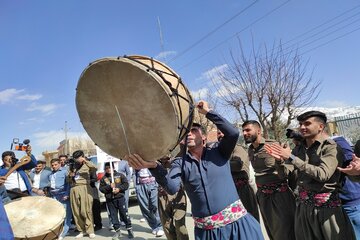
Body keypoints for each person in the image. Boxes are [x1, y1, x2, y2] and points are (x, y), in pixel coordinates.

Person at [126, 100, 263, 240]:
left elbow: (233, 133)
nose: (189, 134)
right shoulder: (179, 162)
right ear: (181, 141)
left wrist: (208, 112)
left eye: (193, 130)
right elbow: (172, 188)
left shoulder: (219, 151)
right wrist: (154, 166)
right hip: (207, 233)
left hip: (237, 226)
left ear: (203, 136)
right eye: (185, 132)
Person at [265, 110, 356, 240]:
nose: (302, 127)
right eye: (301, 124)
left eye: (307, 123)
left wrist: (291, 157)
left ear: (320, 126)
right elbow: (283, 174)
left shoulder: (330, 147)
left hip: (326, 210)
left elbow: (323, 174)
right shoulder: (299, 149)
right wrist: (279, 161)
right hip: (303, 209)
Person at [242, 120, 295, 240]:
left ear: (259, 131)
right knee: (271, 230)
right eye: (243, 131)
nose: (245, 133)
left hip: (279, 195)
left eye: (248, 130)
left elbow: (287, 171)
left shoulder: (273, 145)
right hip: (263, 196)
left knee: (285, 231)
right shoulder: (250, 149)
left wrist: (280, 162)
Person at [217, 129, 260, 222]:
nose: (220, 135)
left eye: (222, 132)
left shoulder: (237, 148)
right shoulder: (220, 152)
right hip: (228, 193)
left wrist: (216, 164)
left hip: (242, 192)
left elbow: (237, 165)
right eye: (218, 133)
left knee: (249, 223)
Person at [99, 162, 134, 239]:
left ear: (113, 168)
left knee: (124, 214)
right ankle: (117, 231)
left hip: (120, 198)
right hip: (110, 200)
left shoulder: (120, 175)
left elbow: (126, 184)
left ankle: (129, 229)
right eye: (106, 168)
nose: (108, 170)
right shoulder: (103, 178)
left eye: (110, 168)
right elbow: (101, 189)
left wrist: (119, 189)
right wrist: (109, 187)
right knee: (113, 216)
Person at [157, 157, 189, 240]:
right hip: (162, 195)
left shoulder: (176, 158)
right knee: (166, 225)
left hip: (178, 194)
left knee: (179, 224)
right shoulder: (154, 159)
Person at [69, 150, 97, 239]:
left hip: (84, 187)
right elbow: (68, 180)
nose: (76, 160)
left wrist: (85, 160)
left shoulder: (87, 164)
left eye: (78, 158)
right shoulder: (71, 166)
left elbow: (94, 168)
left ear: (82, 156)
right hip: (74, 188)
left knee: (86, 210)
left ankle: (90, 230)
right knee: (76, 211)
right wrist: (70, 175)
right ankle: (81, 230)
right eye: (75, 158)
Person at [134, 168, 164, 237]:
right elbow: (134, 172)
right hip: (141, 185)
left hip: (152, 183)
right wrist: (136, 186)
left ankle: (160, 226)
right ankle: (154, 226)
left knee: (155, 205)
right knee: (144, 207)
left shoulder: (151, 157)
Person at [49, 158, 72, 240]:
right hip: (54, 195)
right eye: (52, 165)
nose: (54, 166)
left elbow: (68, 184)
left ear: (59, 164)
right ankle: (59, 231)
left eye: (55, 165)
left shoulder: (65, 172)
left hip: (62, 195)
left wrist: (67, 194)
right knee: (57, 215)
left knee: (66, 215)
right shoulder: (51, 174)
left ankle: (63, 233)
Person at [89, 165, 103, 231]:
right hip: (84, 191)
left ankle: (98, 224)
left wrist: (86, 181)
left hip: (92, 189)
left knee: (95, 207)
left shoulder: (91, 169)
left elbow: (95, 179)